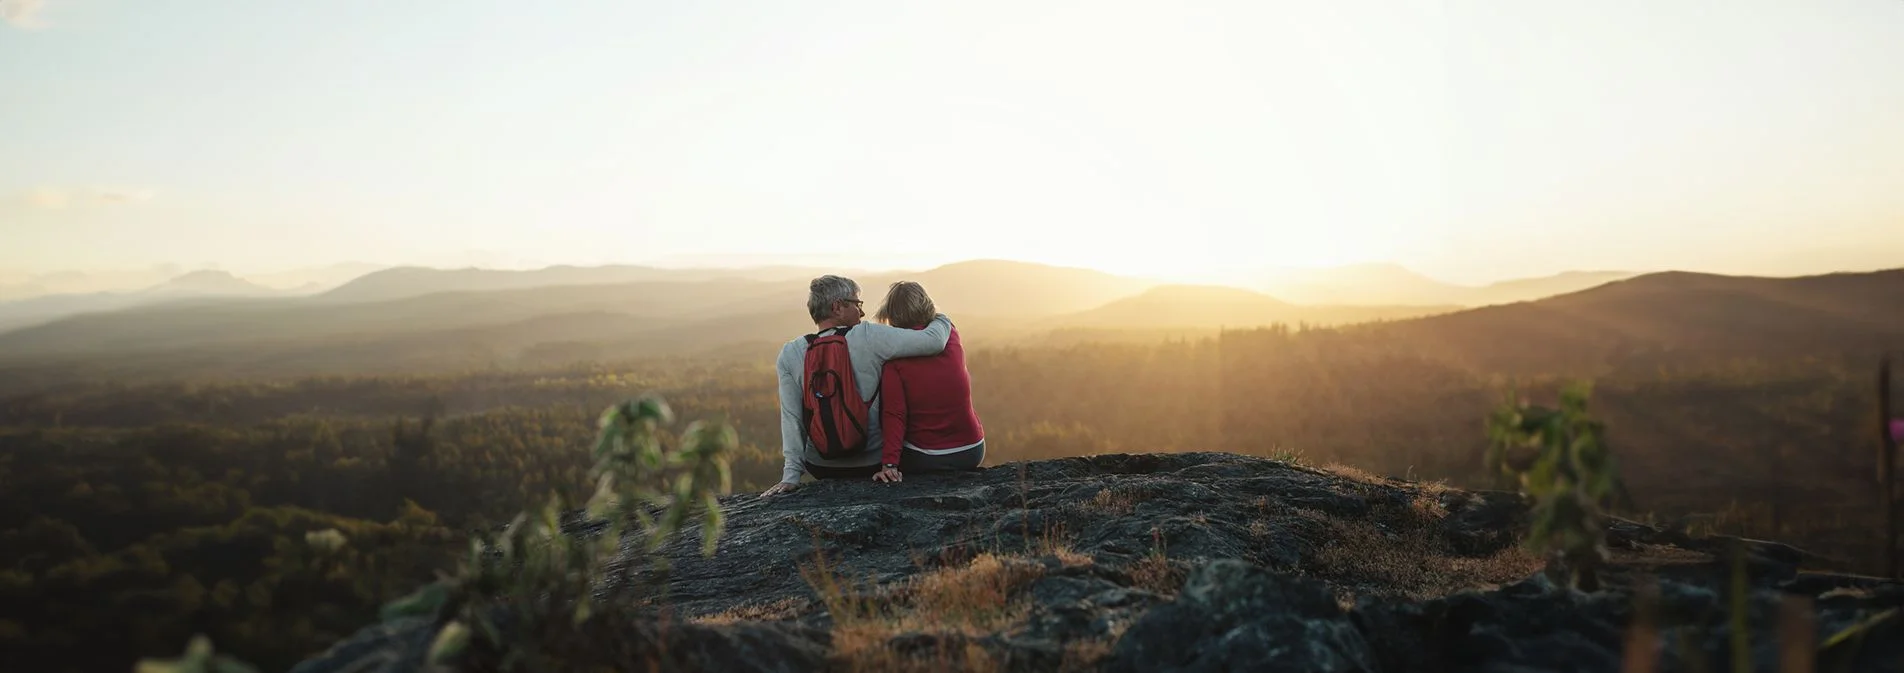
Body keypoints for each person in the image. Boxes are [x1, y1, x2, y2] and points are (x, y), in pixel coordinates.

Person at [761, 275, 954, 496]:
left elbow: (792, 418)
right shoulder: (868, 336)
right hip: (874, 463)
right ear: (837, 307)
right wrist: (941, 317)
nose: (861, 313)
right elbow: (934, 342)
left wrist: (791, 476)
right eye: (856, 304)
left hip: (822, 466)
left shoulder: (790, 353)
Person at [869, 281, 986, 483]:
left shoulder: (894, 361)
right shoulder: (951, 335)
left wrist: (889, 464)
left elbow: (894, 414)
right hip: (972, 450)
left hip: (924, 458)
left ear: (892, 315)